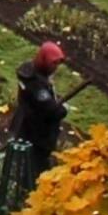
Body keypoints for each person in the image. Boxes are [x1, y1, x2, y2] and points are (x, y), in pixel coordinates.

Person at [9, 41, 70, 181]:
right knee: (35, 167)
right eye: (53, 64)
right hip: (35, 132)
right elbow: (51, 110)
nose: (55, 68)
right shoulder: (35, 84)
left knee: (32, 165)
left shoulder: (32, 74)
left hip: (30, 127)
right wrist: (63, 109)